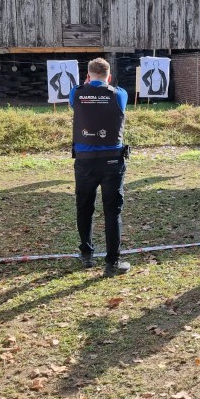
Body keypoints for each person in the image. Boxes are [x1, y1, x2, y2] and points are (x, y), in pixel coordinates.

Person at [69, 58, 130, 277]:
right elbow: (115, 92)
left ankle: (86, 254)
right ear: (109, 76)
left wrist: (87, 86)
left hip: (85, 161)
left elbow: (77, 98)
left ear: (87, 76)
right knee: (112, 212)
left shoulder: (76, 93)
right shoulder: (119, 94)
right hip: (112, 160)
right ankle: (112, 262)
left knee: (84, 207)